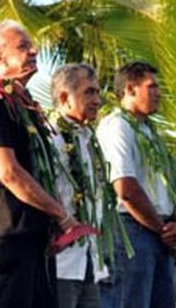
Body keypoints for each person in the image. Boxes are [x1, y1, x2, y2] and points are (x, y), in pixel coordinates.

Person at [0, 21, 80, 307]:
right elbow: (9, 172)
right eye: (22, 46)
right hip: (8, 239)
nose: (33, 51)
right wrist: (60, 214)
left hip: (36, 239)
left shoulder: (23, 104)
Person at [96, 61, 176, 308]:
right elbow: (126, 189)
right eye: (151, 86)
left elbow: (169, 187)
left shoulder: (151, 132)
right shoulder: (117, 126)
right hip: (132, 230)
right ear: (130, 89)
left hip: (159, 230)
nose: (158, 93)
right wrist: (162, 229)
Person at [50, 63, 118, 308]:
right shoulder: (51, 136)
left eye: (98, 92)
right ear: (65, 97)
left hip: (90, 257)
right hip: (61, 260)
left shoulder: (89, 138)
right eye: (89, 92)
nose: (97, 100)